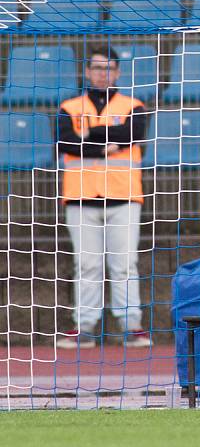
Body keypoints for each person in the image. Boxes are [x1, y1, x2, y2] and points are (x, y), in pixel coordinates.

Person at [56, 45, 149, 349]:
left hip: (123, 196)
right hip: (80, 197)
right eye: (97, 67)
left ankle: (132, 327)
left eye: (108, 68)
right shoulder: (69, 106)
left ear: (117, 72)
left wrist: (88, 135)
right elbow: (65, 142)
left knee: (124, 265)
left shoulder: (133, 105)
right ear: (87, 71)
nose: (102, 73)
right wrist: (106, 141)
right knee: (87, 265)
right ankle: (84, 328)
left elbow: (131, 135)